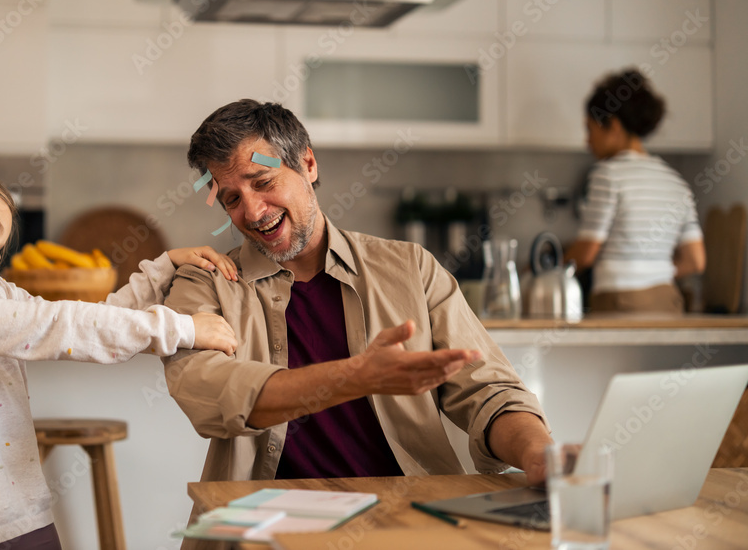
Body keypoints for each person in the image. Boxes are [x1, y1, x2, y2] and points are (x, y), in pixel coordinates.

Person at [161, 100, 552, 506]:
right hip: (264, 521)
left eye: (262, 182)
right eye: (231, 199)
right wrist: (356, 376)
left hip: (410, 515)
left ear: (308, 165)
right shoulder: (203, 282)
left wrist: (538, 455)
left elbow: (488, 391)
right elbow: (206, 392)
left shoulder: (411, 268)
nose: (253, 211)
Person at [0, 161, 238, 550]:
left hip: (13, 517)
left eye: (1, 244)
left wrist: (163, 268)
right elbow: (55, 325)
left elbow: (83, 315)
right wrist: (181, 329)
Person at [564, 69, 706, 313]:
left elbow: (586, 253)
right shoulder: (677, 183)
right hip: (669, 301)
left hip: (620, 301)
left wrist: (549, 269)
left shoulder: (607, 175)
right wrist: (656, 273)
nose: (587, 141)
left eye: (590, 129)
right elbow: (696, 261)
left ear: (613, 126)